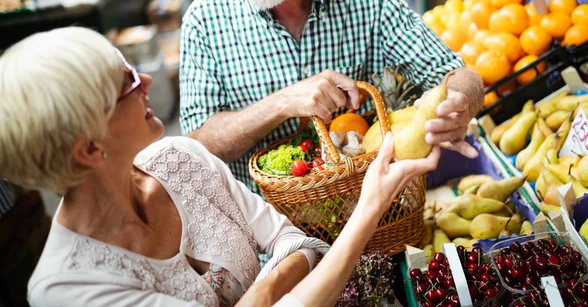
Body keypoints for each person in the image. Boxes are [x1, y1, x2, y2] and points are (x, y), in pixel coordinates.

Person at [0, 27, 440, 307]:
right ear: (90, 148)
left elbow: (298, 243)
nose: (148, 81)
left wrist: (262, 293)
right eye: (127, 82)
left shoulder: (179, 159)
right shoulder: (66, 290)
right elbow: (293, 257)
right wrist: (368, 209)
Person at [180, 0, 484, 193]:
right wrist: (281, 103)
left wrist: (459, 103)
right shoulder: (205, 21)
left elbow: (458, 76)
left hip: (376, 224)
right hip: (267, 241)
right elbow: (197, 144)